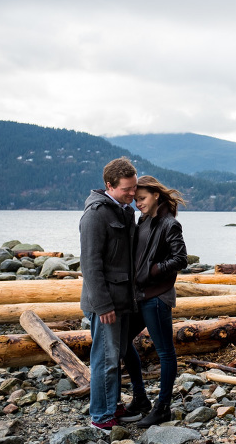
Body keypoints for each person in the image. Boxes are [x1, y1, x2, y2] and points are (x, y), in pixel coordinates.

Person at [118, 175, 188, 427]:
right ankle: (141, 400)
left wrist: (152, 271)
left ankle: (163, 408)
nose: (138, 204)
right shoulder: (144, 220)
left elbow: (181, 259)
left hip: (157, 296)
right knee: (123, 341)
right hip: (140, 295)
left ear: (156, 195)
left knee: (165, 353)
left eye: (142, 198)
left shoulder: (169, 224)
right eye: (136, 199)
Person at [79, 157, 138, 433]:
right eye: (127, 189)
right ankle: (101, 416)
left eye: (134, 187)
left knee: (116, 356)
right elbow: (90, 264)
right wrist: (102, 305)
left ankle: (112, 405)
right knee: (105, 359)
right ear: (109, 185)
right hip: (105, 303)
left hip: (123, 300)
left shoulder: (123, 210)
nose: (132, 193)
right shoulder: (96, 214)